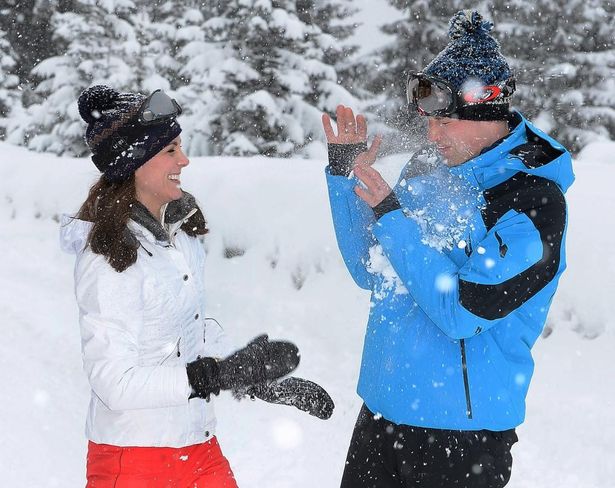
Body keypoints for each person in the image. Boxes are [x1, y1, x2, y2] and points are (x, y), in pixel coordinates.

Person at [322, 10, 574, 488]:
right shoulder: (426, 171)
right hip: (380, 415)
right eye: (429, 121)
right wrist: (344, 177)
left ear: (489, 112)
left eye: (446, 121)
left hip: (461, 439)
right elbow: (372, 270)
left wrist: (392, 216)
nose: (432, 135)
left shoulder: (531, 201)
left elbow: (462, 308)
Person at [60, 85, 333, 487]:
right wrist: (211, 376)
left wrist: (248, 376)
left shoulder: (179, 237)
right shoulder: (109, 257)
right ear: (135, 162)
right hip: (134, 460)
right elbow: (113, 383)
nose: (184, 160)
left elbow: (187, 337)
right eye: (170, 150)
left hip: (198, 447)